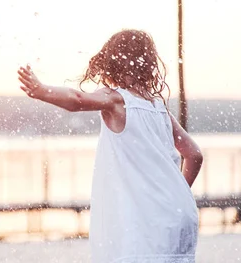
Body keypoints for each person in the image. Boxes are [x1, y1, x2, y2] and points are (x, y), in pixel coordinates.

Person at [18, 29, 203, 263]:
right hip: (179, 214)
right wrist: (174, 194)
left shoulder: (117, 99)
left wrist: (42, 91)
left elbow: (77, 100)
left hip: (145, 224)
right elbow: (194, 154)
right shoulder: (159, 108)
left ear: (113, 61)